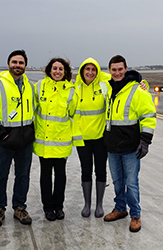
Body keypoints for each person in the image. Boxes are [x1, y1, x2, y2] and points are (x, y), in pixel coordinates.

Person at [103, 55, 157, 233]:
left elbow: (149, 116)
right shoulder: (109, 89)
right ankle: (120, 208)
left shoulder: (137, 91)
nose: (117, 73)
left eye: (120, 69)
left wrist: (145, 141)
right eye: (114, 69)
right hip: (112, 147)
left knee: (131, 183)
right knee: (118, 182)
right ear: (109, 71)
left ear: (126, 69)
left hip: (130, 148)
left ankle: (135, 214)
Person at [0, 50, 35, 228]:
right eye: (14, 62)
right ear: (8, 64)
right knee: (0, 176)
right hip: (4, 141)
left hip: (25, 141)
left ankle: (19, 207)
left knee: (23, 176)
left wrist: (30, 132)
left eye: (21, 63)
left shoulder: (31, 87)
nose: (17, 65)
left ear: (25, 66)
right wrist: (1, 134)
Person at [33, 58, 84, 221]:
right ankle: (47, 207)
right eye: (54, 68)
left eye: (60, 69)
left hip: (62, 142)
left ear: (65, 72)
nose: (57, 72)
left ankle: (59, 206)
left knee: (60, 176)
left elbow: (74, 114)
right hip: (44, 141)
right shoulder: (39, 86)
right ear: (49, 70)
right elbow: (32, 109)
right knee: (45, 176)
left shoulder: (71, 90)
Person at [74, 58, 110, 218]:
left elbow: (125, 79)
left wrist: (141, 82)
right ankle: (87, 204)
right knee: (86, 170)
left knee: (101, 170)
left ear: (98, 71)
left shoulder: (104, 84)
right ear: (82, 71)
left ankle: (99, 204)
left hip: (101, 138)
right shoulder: (76, 88)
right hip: (83, 139)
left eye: (93, 69)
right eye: (87, 69)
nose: (90, 72)